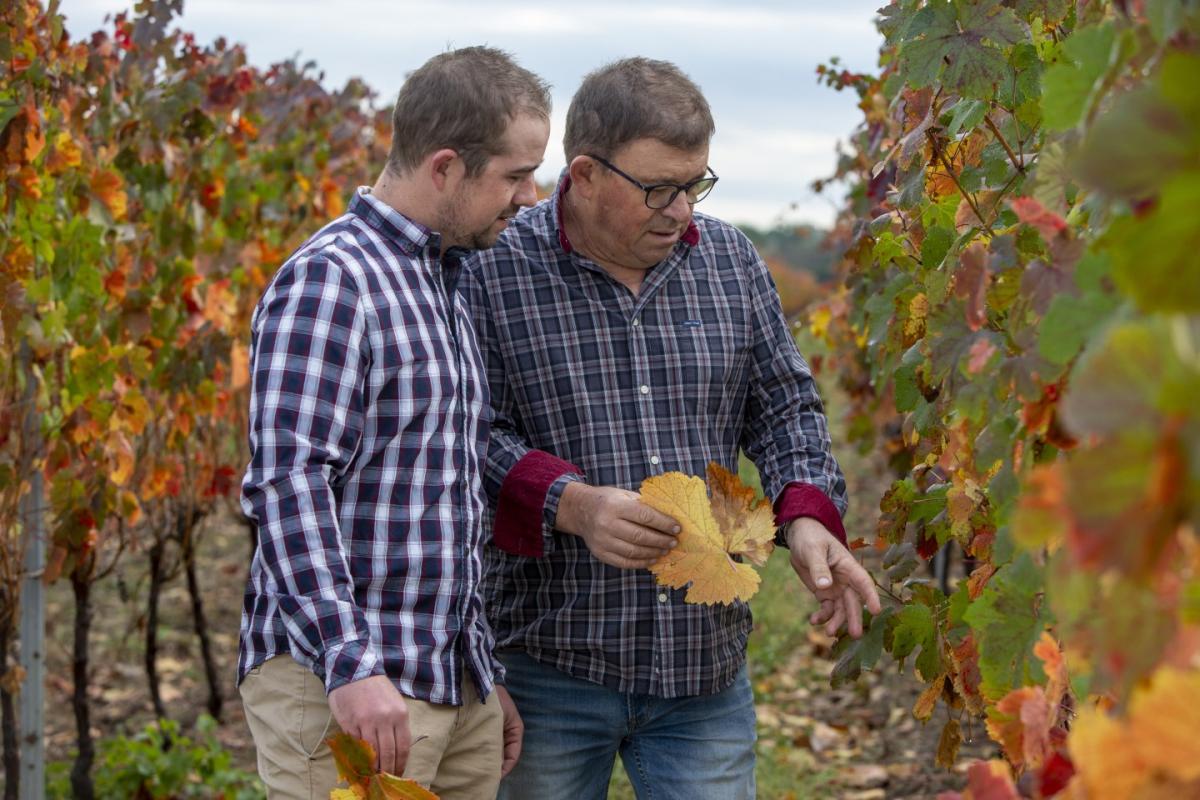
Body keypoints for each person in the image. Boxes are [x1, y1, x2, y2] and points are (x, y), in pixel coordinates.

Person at [459, 57, 882, 800]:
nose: (683, 209)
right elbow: (465, 431)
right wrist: (573, 504)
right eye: (659, 188)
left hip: (702, 664)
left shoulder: (730, 263)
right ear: (584, 175)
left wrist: (808, 517)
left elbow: (784, 406)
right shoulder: (492, 269)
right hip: (549, 659)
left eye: (697, 184)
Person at [237, 47, 551, 799]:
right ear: (445, 168)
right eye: (514, 175)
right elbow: (289, 482)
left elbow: (436, 491)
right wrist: (351, 664)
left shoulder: (443, 278)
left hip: (445, 684)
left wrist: (477, 675)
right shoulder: (333, 279)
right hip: (352, 693)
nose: (532, 196)